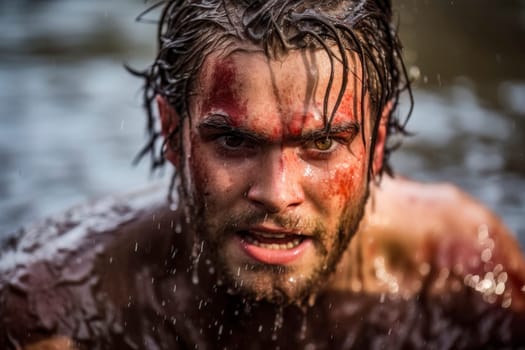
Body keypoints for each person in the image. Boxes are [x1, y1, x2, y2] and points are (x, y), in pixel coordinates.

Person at [1, 0, 524, 349]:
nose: (277, 194)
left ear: (378, 139)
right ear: (172, 133)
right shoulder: (57, 306)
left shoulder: (452, 270)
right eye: (234, 141)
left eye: (321, 143)